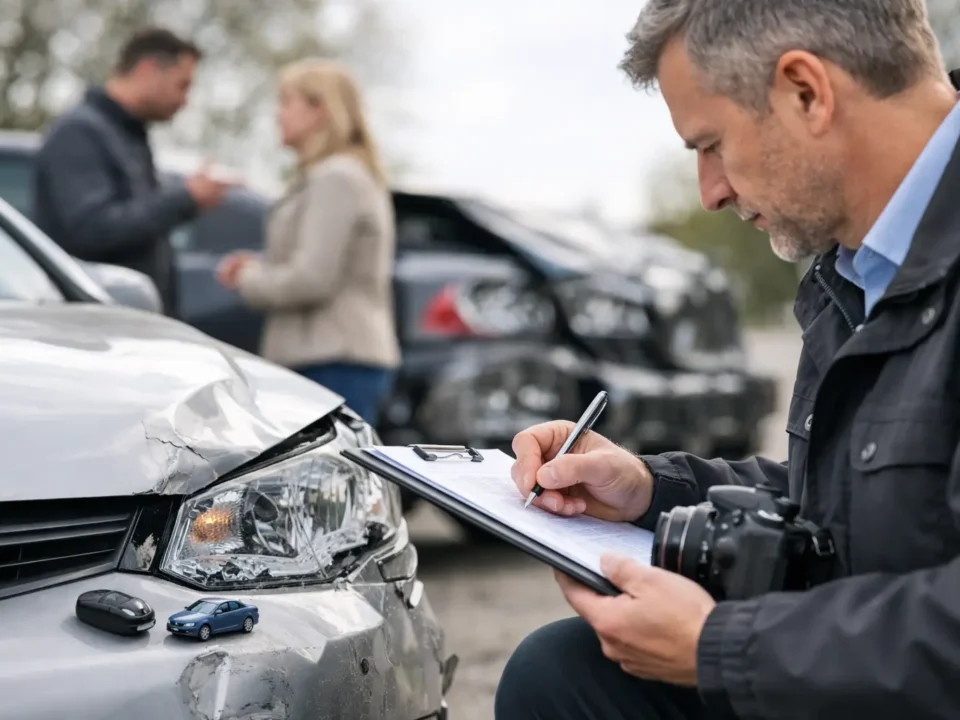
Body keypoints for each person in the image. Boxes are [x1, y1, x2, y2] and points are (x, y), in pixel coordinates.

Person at [495, 1, 960, 719]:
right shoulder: (856, 271)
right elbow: (860, 499)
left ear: (806, 92)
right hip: (860, 669)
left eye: (711, 144)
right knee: (560, 673)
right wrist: (649, 489)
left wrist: (725, 647)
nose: (711, 192)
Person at [216, 59, 400, 425]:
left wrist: (248, 278)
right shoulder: (338, 175)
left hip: (332, 361)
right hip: (332, 358)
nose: (277, 115)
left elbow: (312, 278)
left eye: (287, 103)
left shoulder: (336, 178)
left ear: (319, 110)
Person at [34, 26, 235, 316]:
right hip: (95, 330)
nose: (185, 100)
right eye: (183, 85)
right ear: (148, 69)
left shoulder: (127, 135)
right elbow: (92, 230)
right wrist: (185, 198)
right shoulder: (80, 133)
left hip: (124, 327)